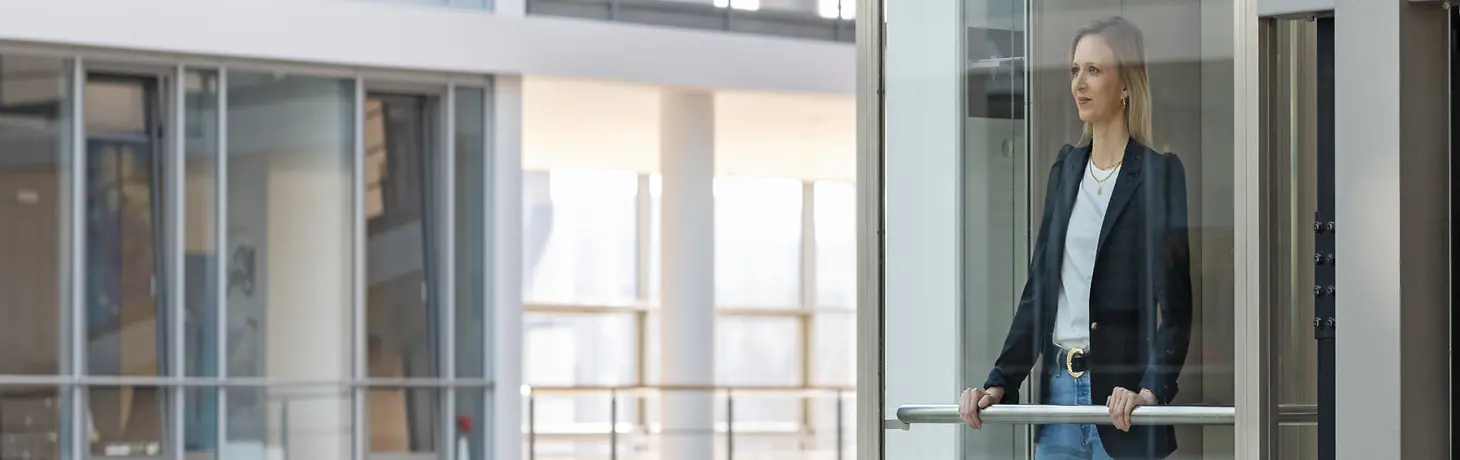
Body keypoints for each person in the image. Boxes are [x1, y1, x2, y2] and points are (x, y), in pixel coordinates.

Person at [956, 16, 1193, 460]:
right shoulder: (1065, 171)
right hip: (1058, 399)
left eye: (1094, 70)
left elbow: (1177, 310)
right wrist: (1000, 381)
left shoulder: (1159, 176)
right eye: (1074, 70)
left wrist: (1149, 391)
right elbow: (1039, 293)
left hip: (1121, 408)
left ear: (1125, 85)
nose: (1078, 83)